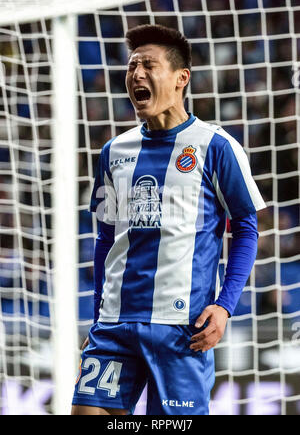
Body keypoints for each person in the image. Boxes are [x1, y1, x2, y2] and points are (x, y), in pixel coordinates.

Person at [71, 24, 265, 416]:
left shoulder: (216, 146)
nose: (137, 74)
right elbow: (105, 239)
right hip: (114, 325)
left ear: (181, 78)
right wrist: (97, 317)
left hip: (180, 328)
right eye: (132, 67)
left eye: (148, 65)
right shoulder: (113, 151)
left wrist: (225, 305)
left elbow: (245, 228)